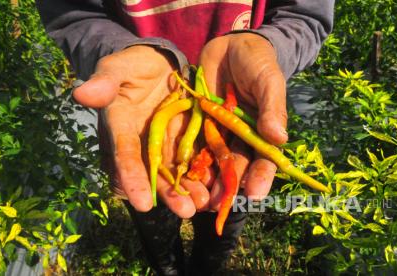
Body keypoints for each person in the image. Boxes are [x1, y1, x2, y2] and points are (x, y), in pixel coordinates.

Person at [36, 0, 334, 275]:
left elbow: (304, 16)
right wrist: (116, 50)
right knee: (157, 231)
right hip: (139, 116)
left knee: (221, 227)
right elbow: (73, 15)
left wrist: (270, 46)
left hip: (237, 94)